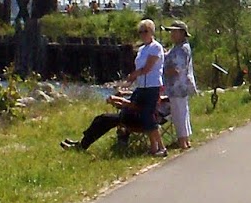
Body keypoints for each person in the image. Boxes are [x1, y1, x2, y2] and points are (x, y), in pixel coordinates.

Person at [62, 18, 167, 155]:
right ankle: (82, 143)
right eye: (140, 32)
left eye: (145, 31)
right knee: (102, 119)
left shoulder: (156, 47)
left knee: (147, 116)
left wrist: (131, 79)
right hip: (141, 87)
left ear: (151, 31)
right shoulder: (142, 49)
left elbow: (147, 68)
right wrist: (125, 87)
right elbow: (134, 95)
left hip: (152, 86)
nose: (142, 34)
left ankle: (160, 148)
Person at [162, 21, 197, 149]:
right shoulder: (179, 47)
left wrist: (163, 70)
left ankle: (182, 141)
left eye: (174, 31)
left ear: (182, 33)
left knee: (178, 114)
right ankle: (185, 140)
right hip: (177, 87)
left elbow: (177, 69)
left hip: (178, 86)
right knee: (182, 113)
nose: (172, 34)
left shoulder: (182, 49)